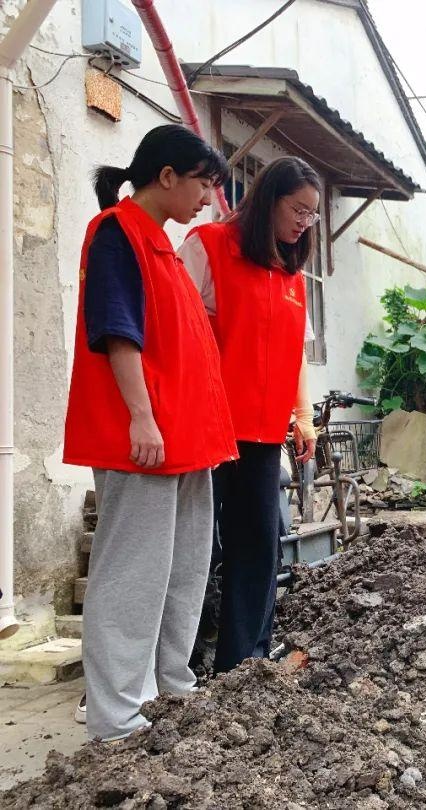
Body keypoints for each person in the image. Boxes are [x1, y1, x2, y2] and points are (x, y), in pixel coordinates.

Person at [63, 125, 236, 740]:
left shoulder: (160, 244)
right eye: (203, 184)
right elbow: (116, 330)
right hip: (145, 439)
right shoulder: (117, 233)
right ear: (167, 177)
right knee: (132, 572)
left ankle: (171, 686)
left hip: (187, 441)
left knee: (184, 569)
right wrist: (141, 415)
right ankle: (116, 714)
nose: (208, 200)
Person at [177, 157, 320, 674]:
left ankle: (243, 664)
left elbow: (294, 354)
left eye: (312, 215)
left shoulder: (291, 276)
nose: (305, 222)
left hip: (261, 434)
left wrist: (303, 416)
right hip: (204, 428)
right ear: (268, 199)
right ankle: (172, 666)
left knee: (259, 548)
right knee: (193, 550)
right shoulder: (208, 247)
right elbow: (173, 333)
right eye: (298, 209)